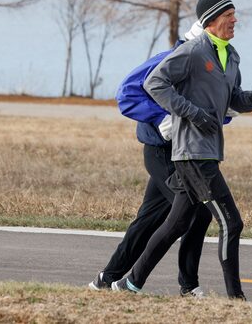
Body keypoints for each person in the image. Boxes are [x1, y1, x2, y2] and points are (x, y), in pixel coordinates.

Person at [112, 0, 252, 300]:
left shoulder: (231, 56)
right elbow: (153, 83)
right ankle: (235, 299)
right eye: (229, 15)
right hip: (191, 152)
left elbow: (232, 98)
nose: (235, 20)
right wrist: (189, 113)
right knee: (231, 222)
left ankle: (129, 282)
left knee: (176, 223)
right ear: (211, 20)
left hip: (210, 149)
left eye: (235, 15)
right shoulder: (193, 51)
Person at [88, 21, 211, 297]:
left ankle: (105, 279)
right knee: (197, 213)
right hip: (161, 152)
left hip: (185, 153)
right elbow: (127, 94)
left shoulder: (206, 65)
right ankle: (188, 286)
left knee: (148, 220)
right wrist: (160, 118)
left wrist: (234, 107)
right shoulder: (169, 60)